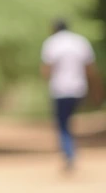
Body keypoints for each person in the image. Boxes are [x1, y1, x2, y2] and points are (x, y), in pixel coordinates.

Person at [40, 19, 98, 170]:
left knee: (63, 124)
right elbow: (90, 68)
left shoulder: (52, 43)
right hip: (79, 89)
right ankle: (70, 149)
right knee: (70, 120)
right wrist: (95, 89)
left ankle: (69, 153)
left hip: (60, 90)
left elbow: (46, 69)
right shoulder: (80, 42)